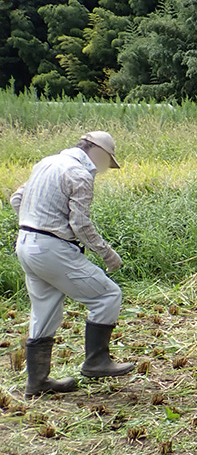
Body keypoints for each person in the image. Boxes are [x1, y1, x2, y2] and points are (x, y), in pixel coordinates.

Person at [10, 132, 135, 397]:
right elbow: (80, 224)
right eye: (105, 162)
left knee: (44, 312)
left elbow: (16, 200)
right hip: (53, 248)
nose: (103, 169)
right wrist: (107, 254)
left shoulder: (46, 163)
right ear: (97, 152)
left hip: (25, 243)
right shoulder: (79, 174)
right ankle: (96, 362)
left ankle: (37, 382)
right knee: (108, 295)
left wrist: (35, 223)